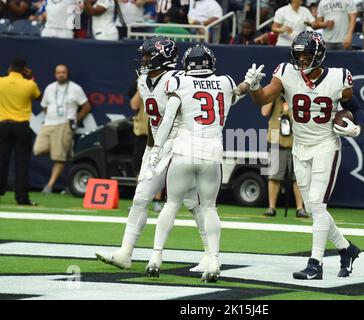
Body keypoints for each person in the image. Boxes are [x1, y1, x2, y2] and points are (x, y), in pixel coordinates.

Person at [242, 31, 363, 280]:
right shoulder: (286, 72)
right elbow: (262, 99)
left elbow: (352, 108)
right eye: (298, 55)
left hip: (326, 145)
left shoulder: (340, 78)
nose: (302, 60)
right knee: (311, 208)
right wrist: (254, 86)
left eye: (306, 55)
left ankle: (315, 263)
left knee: (318, 204)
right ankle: (346, 249)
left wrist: (353, 123)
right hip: (300, 147)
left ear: (318, 54)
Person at [95, 37, 208, 272]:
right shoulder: (144, 81)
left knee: (193, 202)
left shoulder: (179, 79)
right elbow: (152, 120)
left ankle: (210, 254)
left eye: (147, 55)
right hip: (158, 145)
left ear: (163, 56)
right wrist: (150, 149)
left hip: (180, 145)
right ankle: (126, 252)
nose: (144, 60)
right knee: (140, 197)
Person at [146, 44, 244, 282]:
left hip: (184, 150)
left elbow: (168, 119)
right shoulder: (225, 82)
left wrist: (156, 148)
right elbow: (235, 93)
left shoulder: (179, 83)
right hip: (211, 153)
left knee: (171, 204)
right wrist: (249, 83)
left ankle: (155, 258)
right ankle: (214, 261)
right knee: (209, 208)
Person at [34, 64, 91, 195]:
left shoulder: (75, 88)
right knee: (38, 149)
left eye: (63, 72)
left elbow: (86, 106)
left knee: (59, 158)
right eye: (58, 72)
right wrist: (50, 114)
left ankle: (49, 185)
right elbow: (44, 106)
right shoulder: (50, 87)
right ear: (55, 74)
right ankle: (65, 149)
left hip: (64, 123)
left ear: (67, 74)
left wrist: (76, 119)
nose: (61, 74)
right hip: (48, 123)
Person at [0, 58, 41, 206]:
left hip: (3, 126)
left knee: (1, 160)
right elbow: (39, 97)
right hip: (21, 127)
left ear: (10, 68)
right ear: (24, 69)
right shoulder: (29, 84)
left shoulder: (1, 81)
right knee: (22, 163)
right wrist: (31, 78)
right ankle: (22, 198)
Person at [262, 96, 308, 218]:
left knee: (298, 178)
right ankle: (271, 207)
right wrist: (274, 96)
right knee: (274, 176)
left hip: (296, 142)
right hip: (277, 141)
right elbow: (264, 112)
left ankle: (300, 208)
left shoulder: (296, 95)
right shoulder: (274, 96)